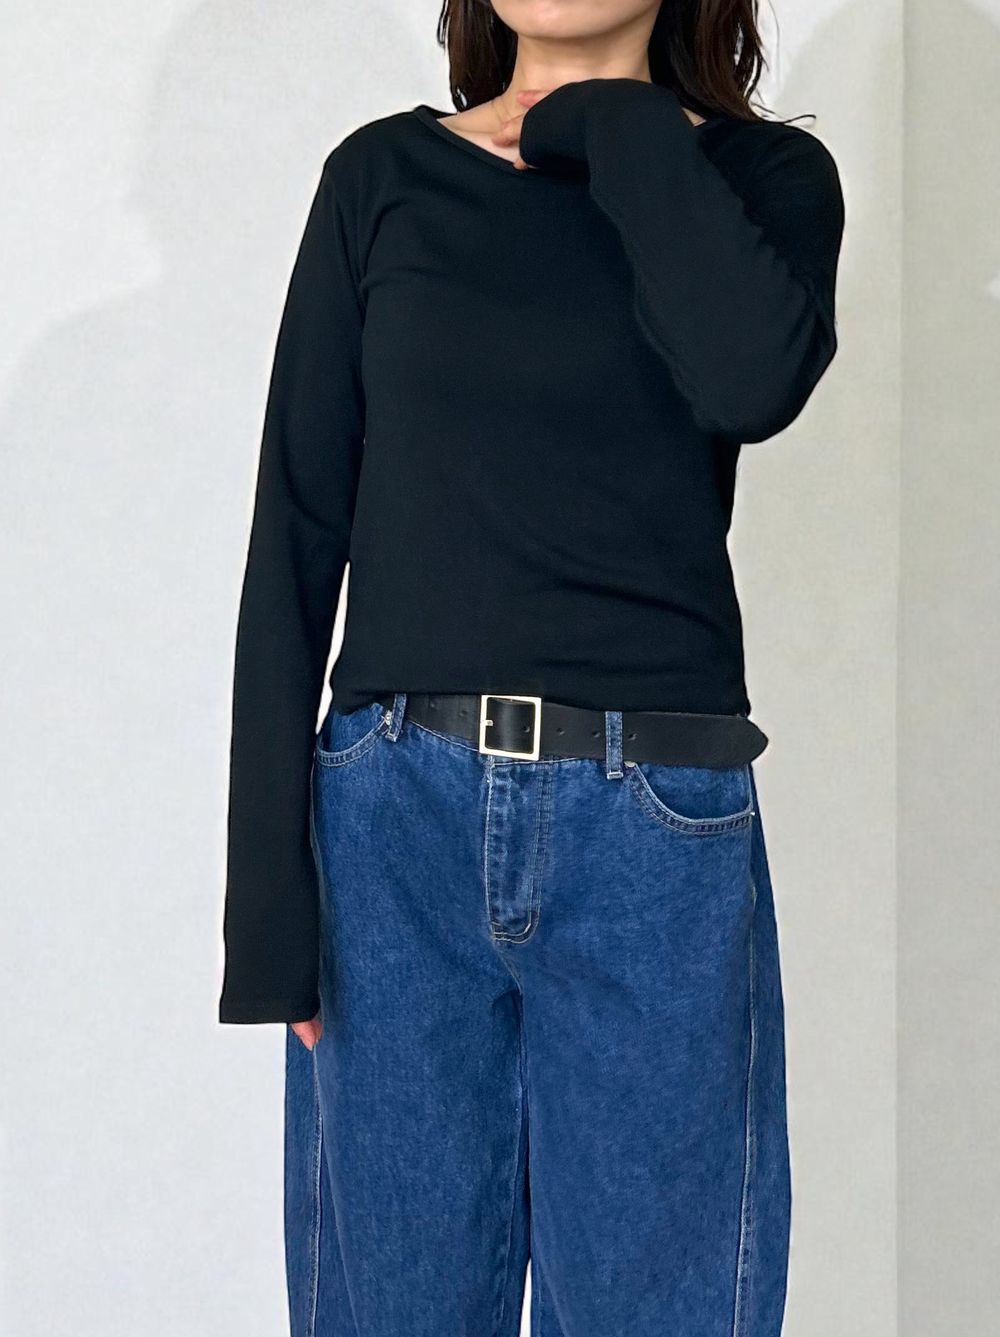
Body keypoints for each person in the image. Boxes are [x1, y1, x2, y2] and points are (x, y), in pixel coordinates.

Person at [219, 1, 845, 1333]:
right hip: (393, 828)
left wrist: (612, 121)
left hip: (652, 836)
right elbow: (297, 527)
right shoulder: (382, 179)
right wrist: (268, 902)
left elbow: (751, 380)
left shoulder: (758, 179)